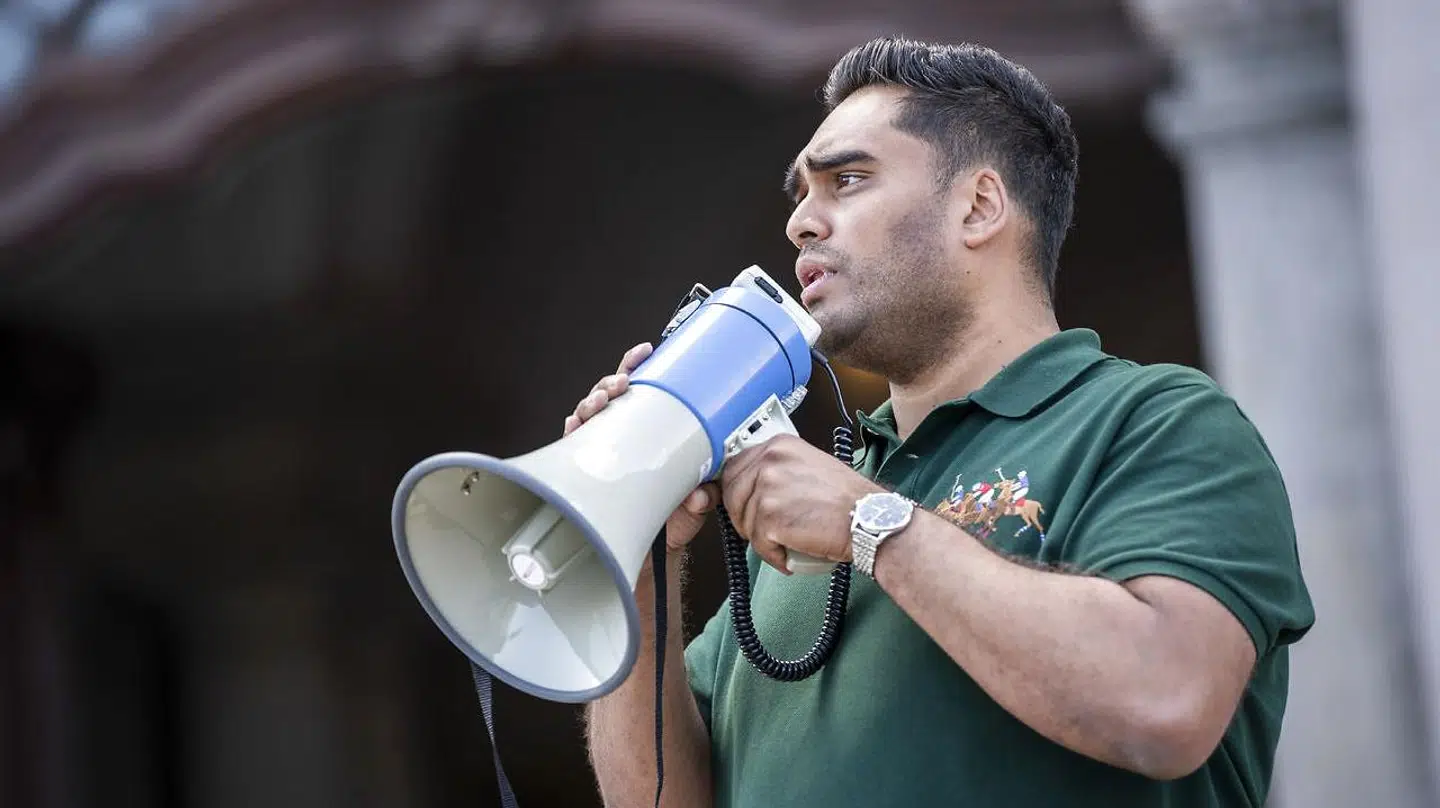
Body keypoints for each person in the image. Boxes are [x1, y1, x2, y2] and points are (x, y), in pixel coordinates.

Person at [576, 36, 1314, 808]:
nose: (801, 223)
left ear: (979, 205)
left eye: (848, 180)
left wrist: (870, 523)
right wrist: (636, 557)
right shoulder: (798, 513)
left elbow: (1164, 705)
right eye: (800, 195)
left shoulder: (1157, 422)